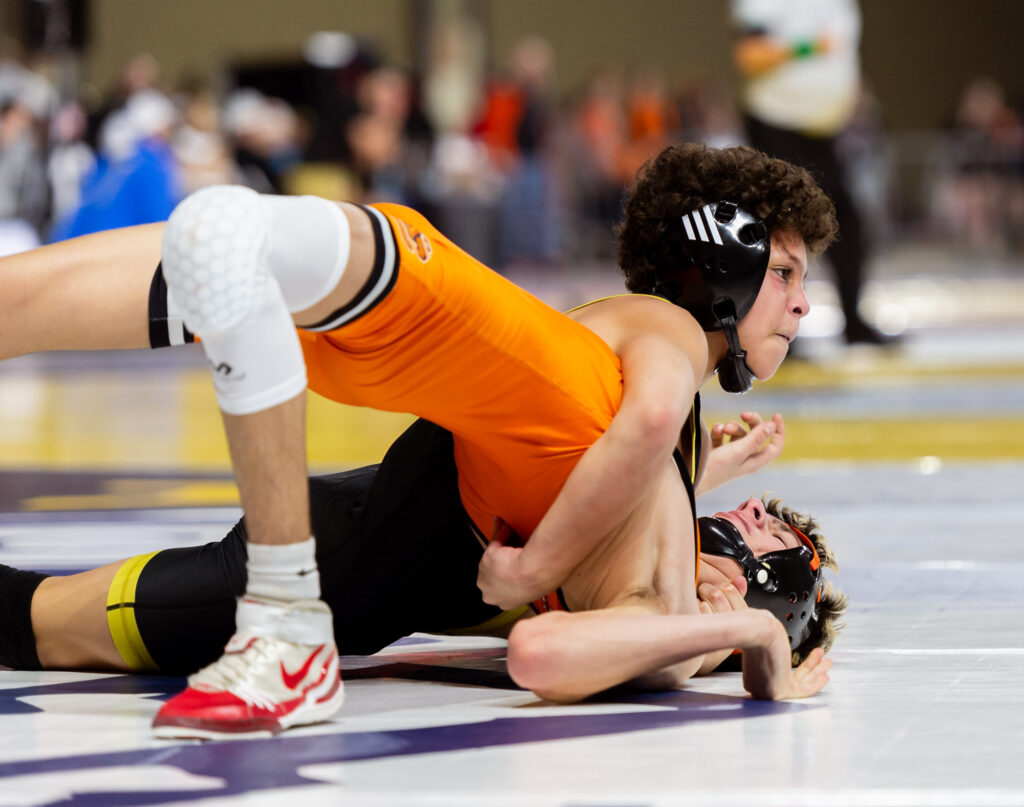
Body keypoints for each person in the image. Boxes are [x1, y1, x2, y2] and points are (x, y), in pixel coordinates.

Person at [0, 143, 837, 740]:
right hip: (420, 447)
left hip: (381, 524)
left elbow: (555, 638)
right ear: (723, 265)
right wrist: (543, 565)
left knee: (35, 621)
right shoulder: (669, 356)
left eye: (762, 530)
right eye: (786, 272)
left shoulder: (667, 599)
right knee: (226, 250)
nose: (802, 305)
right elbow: (644, 429)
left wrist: (744, 631)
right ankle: (282, 624)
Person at [1, 417, 845, 690]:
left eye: (767, 525)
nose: (744, 511)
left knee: (37, 622)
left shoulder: (679, 627)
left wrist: (765, 644)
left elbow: (571, 645)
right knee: (39, 621)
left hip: (335, 572)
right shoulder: (670, 561)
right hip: (363, 543)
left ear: (765, 587)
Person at [730, 0, 893, 346]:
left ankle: (853, 322)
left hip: (822, 133)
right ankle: (769, 333)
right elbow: (751, 56)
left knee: (844, 224)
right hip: (777, 123)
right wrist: (810, 47)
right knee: (779, 233)